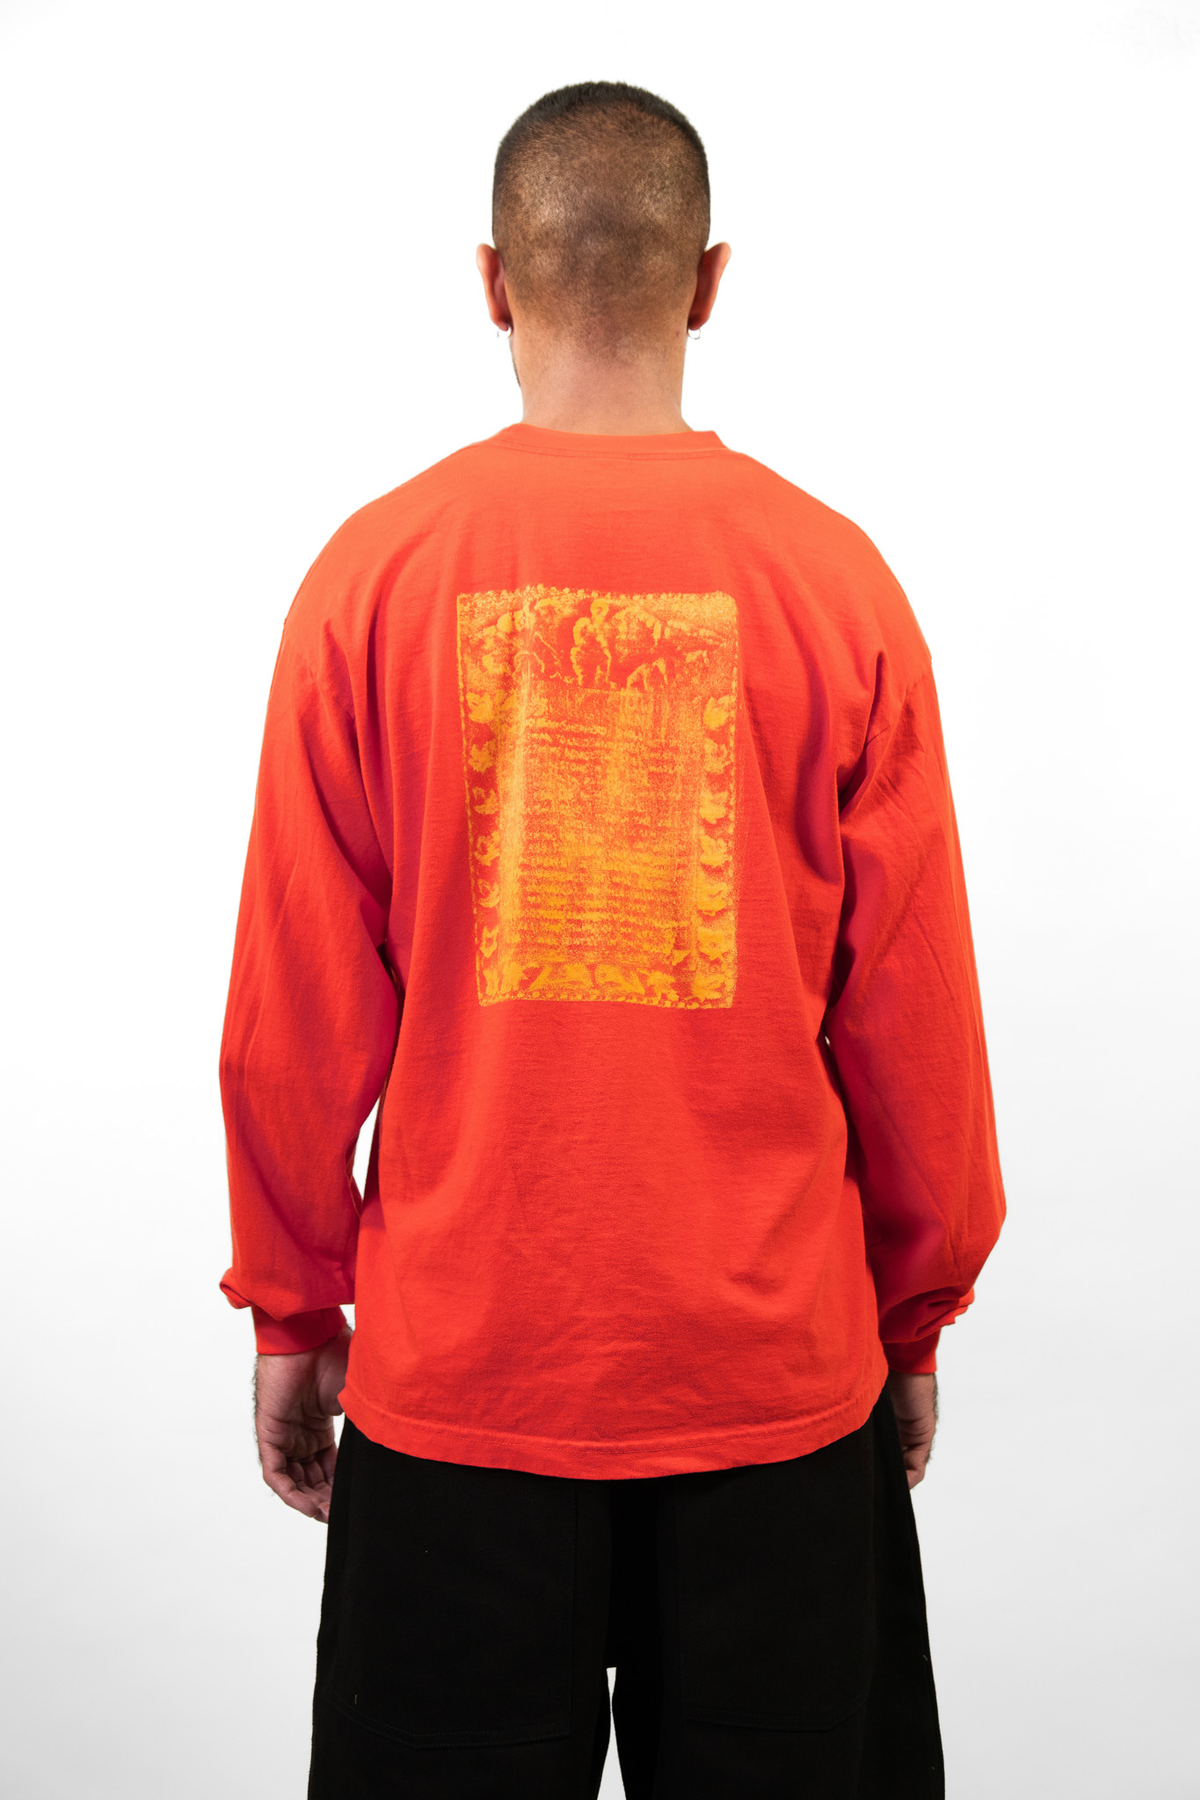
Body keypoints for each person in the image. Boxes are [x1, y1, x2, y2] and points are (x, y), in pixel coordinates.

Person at [219, 80, 1006, 1800]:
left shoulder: (372, 580)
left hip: (462, 1386)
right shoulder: (835, 586)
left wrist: (290, 1308)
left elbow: (292, 1009)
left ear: (491, 283)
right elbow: (919, 1017)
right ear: (709, 284)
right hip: (774, 1386)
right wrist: (915, 1313)